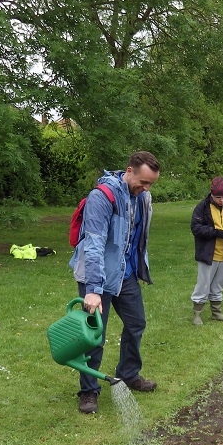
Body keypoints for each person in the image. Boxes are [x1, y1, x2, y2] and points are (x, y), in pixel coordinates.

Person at [69, 151, 160, 414]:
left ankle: (129, 374)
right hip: (97, 277)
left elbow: (137, 238)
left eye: (151, 184)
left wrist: (140, 269)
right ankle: (88, 391)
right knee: (93, 336)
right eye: (143, 182)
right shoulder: (102, 196)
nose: (145, 188)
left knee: (136, 323)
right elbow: (94, 244)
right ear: (128, 170)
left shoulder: (143, 197)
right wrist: (93, 290)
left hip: (126, 274)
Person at [190, 177, 223, 325]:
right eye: (218, 197)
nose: (221, 200)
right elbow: (196, 228)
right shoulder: (202, 207)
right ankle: (197, 314)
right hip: (208, 254)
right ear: (211, 195)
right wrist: (217, 232)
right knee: (203, 284)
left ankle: (216, 312)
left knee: (219, 284)